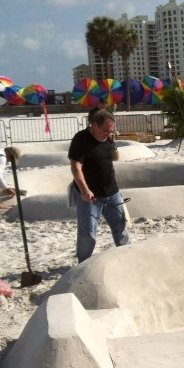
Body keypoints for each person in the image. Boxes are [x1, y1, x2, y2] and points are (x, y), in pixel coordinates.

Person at [68, 108, 129, 263]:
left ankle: (128, 257)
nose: (108, 134)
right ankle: (83, 263)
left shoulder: (108, 138)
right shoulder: (81, 139)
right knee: (87, 233)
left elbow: (110, 160)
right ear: (93, 124)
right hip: (90, 196)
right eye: (105, 131)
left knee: (121, 226)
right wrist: (84, 190)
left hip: (112, 192)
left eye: (111, 131)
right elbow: (76, 167)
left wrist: (112, 142)